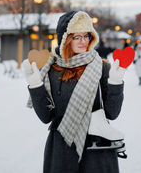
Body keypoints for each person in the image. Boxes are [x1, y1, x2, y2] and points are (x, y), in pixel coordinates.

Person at [23, 10, 126, 173]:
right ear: (65, 39)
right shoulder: (51, 70)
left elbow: (112, 113)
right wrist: (36, 84)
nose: (83, 41)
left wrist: (115, 82)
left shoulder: (102, 67)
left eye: (86, 36)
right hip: (62, 149)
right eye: (76, 37)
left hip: (96, 150)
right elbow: (45, 117)